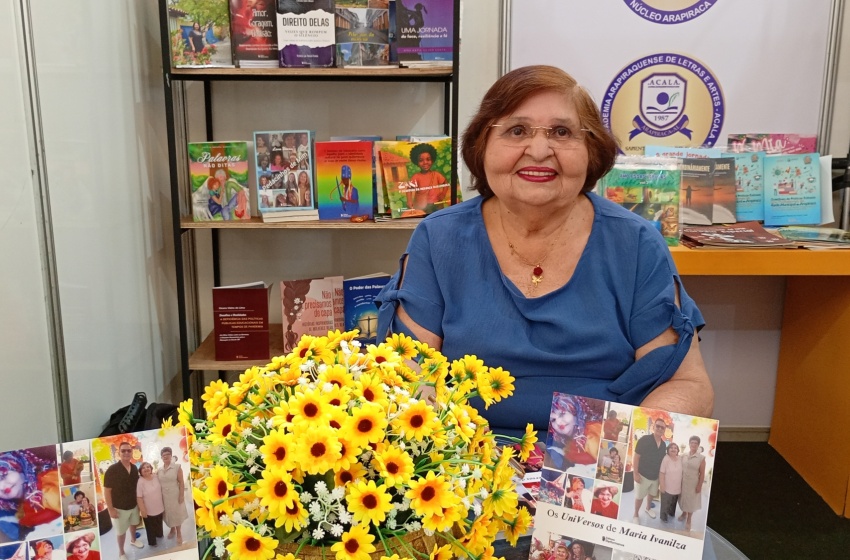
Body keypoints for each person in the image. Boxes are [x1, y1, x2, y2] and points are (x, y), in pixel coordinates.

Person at [374, 65, 713, 439]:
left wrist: (615, 461)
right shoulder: (438, 238)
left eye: (562, 132)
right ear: (481, 145)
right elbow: (410, 374)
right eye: (517, 131)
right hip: (466, 457)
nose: (538, 150)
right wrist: (455, 461)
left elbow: (689, 386)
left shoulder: (635, 243)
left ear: (592, 151)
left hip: (596, 459)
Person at [0, 449, 61, 541]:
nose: (1, 487)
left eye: (3, 476)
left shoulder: (49, 482)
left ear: (20, 468)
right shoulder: (18, 512)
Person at [103, 442, 144, 559]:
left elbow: (137, 486)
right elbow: (107, 491)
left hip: (133, 505)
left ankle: (133, 540)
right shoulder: (112, 470)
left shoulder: (134, 468)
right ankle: (121, 552)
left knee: (134, 524)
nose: (126, 453)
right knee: (121, 532)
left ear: (132, 452)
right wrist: (110, 509)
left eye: (128, 450)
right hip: (119, 508)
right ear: (118, 453)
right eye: (123, 451)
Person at [633, 418, 668, 524]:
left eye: (662, 427)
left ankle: (648, 508)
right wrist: (635, 473)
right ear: (653, 427)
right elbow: (636, 457)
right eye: (658, 426)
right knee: (639, 497)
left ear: (664, 430)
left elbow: (662, 461)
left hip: (655, 477)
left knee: (652, 494)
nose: (660, 429)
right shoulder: (644, 439)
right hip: (642, 475)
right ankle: (635, 514)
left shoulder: (663, 445)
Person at [405, 143, 449, 214]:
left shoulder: (436, 174)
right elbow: (409, 189)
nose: (425, 162)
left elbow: (446, 183)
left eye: (428, 159)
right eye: (421, 160)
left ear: (432, 160)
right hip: (422, 206)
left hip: (437, 204)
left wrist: (443, 193)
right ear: (417, 162)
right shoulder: (416, 176)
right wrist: (409, 200)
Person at [158, 447, 189, 545]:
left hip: (175, 495)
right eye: (163, 455)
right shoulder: (159, 470)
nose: (165, 456)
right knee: (168, 514)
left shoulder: (177, 467)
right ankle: (172, 530)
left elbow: (181, 482)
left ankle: (179, 533)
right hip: (164, 497)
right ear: (161, 458)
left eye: (167, 454)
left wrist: (181, 496)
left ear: (171, 456)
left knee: (176, 514)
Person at [678, 435, 706, 531]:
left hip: (693, 483)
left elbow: (702, 474)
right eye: (692, 442)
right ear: (689, 444)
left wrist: (699, 486)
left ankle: (689, 520)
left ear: (698, 445)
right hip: (683, 482)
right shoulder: (684, 455)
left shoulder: (701, 458)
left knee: (691, 501)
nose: (693, 444)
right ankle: (684, 513)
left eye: (695, 443)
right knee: (683, 499)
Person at [136, 462, 165, 547]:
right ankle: (152, 543)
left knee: (159, 524)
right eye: (143, 468)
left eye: (148, 467)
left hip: (159, 507)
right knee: (150, 528)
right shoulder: (140, 481)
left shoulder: (156, 477)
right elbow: (139, 497)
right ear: (140, 471)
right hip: (148, 510)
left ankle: (159, 535)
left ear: (151, 469)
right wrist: (142, 510)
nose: (146, 469)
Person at [659, 442, 682, 523]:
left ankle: (671, 513)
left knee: (673, 502)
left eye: (675, 448)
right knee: (666, 503)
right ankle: (663, 517)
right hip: (667, 486)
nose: (673, 449)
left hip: (677, 486)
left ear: (678, 450)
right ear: (668, 450)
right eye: (671, 448)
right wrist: (662, 485)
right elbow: (662, 473)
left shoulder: (680, 458)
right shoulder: (666, 459)